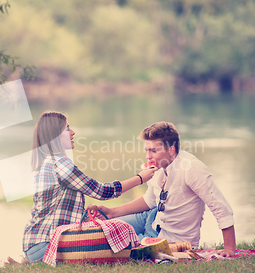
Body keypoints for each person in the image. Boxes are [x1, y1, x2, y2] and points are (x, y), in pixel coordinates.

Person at [21, 111, 158, 262]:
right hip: (47, 244)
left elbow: (58, 211)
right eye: (67, 129)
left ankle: (30, 260)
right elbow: (102, 191)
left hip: (36, 245)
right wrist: (140, 178)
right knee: (123, 234)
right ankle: (149, 249)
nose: (73, 132)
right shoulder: (59, 163)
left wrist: (85, 216)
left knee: (125, 226)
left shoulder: (47, 162)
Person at [99, 122, 237, 257]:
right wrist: (112, 212)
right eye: (147, 150)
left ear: (171, 150)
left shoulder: (192, 168)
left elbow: (220, 207)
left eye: (153, 150)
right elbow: (150, 201)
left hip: (170, 239)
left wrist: (229, 248)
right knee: (104, 228)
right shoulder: (159, 165)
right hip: (151, 218)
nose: (148, 156)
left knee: (109, 242)